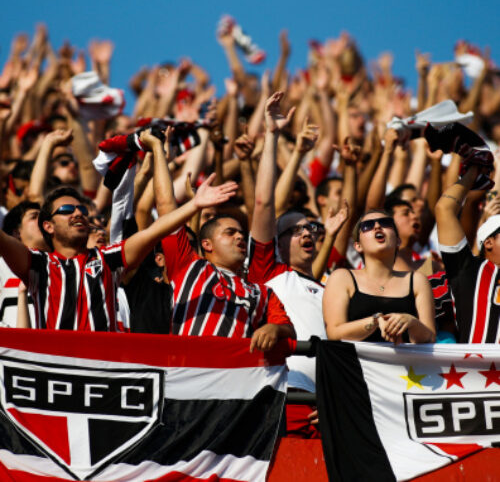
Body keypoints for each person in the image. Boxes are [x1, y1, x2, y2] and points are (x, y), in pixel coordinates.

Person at [0, 173, 237, 331]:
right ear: (48, 226)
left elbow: (153, 231)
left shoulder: (107, 259)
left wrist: (194, 205)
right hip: (56, 375)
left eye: (81, 208)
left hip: (105, 376)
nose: (78, 213)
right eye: (66, 209)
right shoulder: (38, 263)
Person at [130, 127, 296, 352]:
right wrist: (159, 150)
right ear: (206, 244)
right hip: (186, 373)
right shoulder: (188, 267)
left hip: (233, 382)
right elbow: (166, 206)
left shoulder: (262, 292)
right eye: (230, 233)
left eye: (242, 234)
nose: (239, 236)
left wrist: (275, 329)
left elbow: (288, 328)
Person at [247, 92, 348, 437]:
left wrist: (340, 400)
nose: (307, 233)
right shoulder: (267, 272)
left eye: (312, 228)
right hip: (284, 405)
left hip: (333, 409)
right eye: (296, 229)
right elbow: (263, 205)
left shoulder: (332, 286)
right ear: (277, 241)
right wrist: (273, 136)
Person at [323, 210, 436, 344]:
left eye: (385, 223)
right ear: (358, 246)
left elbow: (430, 337)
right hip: (355, 364)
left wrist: (412, 322)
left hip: (404, 364)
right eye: (367, 226)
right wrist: (375, 321)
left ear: (398, 241)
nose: (377, 226)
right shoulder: (342, 277)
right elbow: (334, 333)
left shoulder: (418, 280)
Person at [435, 164, 500, 343]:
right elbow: (444, 210)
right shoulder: (468, 271)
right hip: (477, 370)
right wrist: (473, 171)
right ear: (488, 242)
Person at [0, 201, 47, 327]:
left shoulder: (65, 266)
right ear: (16, 233)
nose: (43, 220)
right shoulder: (1, 266)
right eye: (34, 216)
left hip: (52, 344)